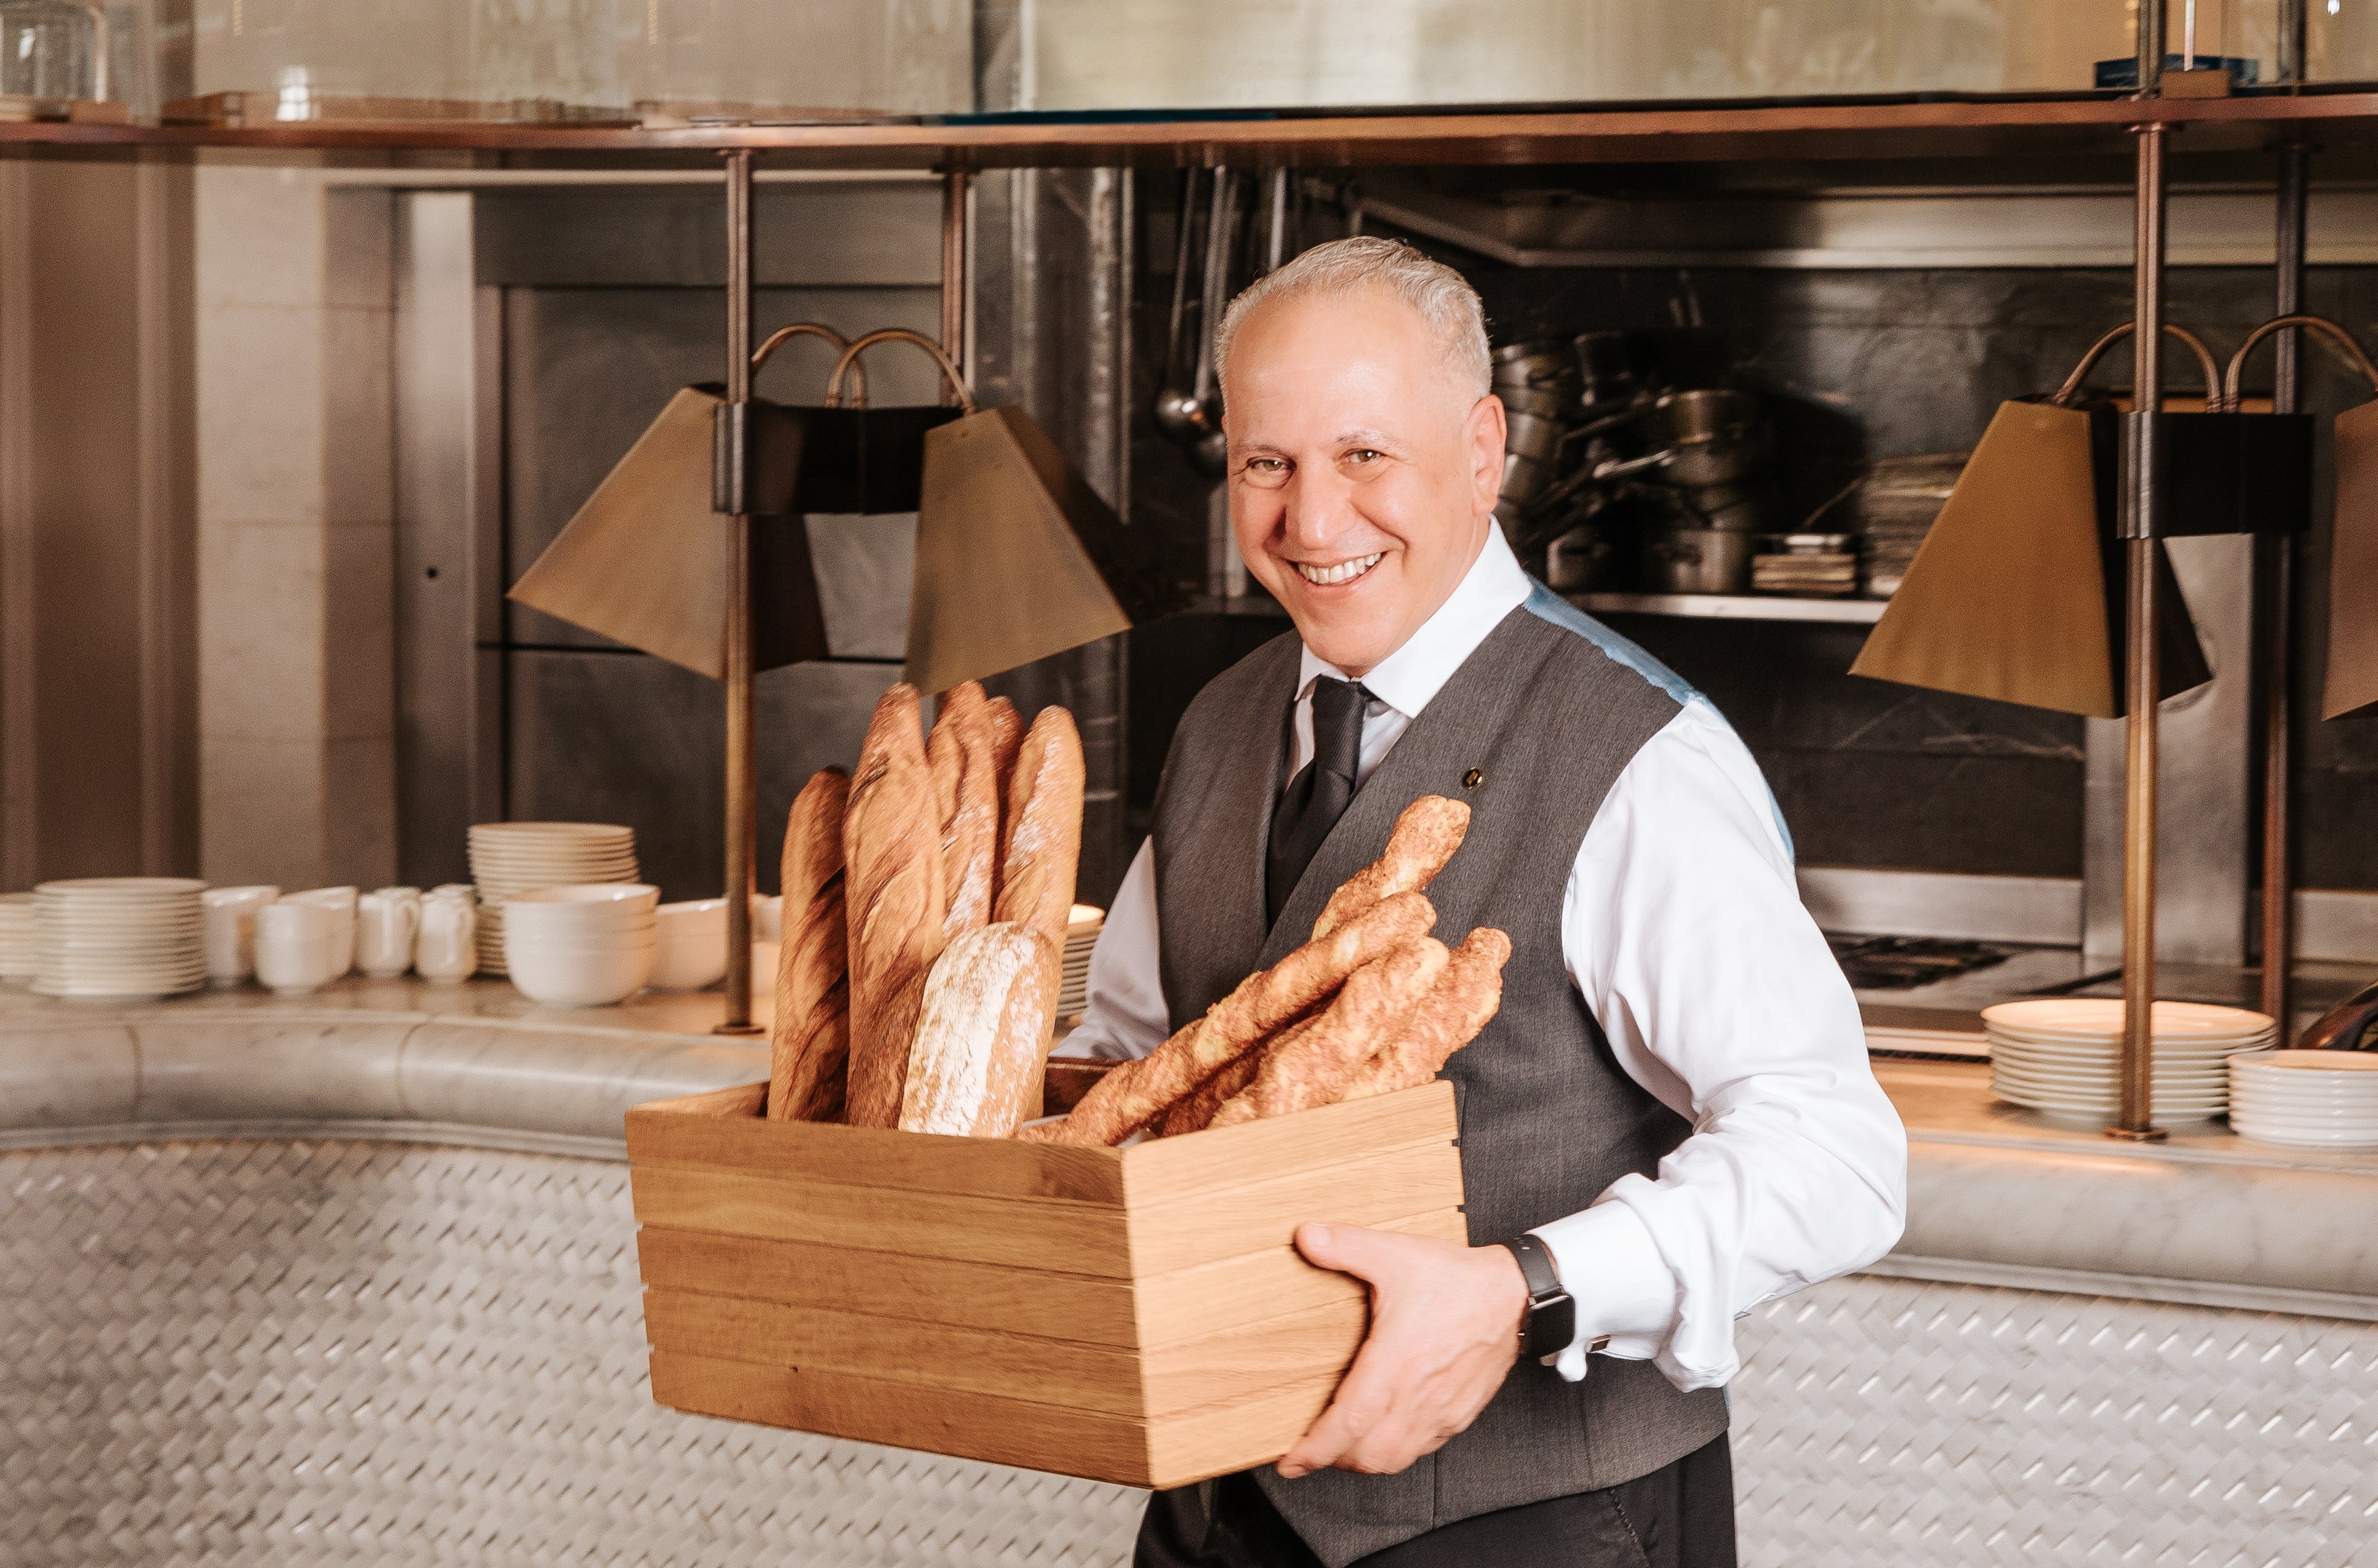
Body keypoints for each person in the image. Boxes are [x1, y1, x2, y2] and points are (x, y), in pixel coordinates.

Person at [1065, 236, 1907, 1568]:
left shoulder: (1639, 755)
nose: (1312, 522)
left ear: (1481, 449)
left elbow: (1836, 1158)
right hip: (1225, 1508)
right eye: (1264, 464)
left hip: (1545, 1525)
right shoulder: (1221, 724)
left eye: (1363, 457)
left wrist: (1526, 1289)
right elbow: (1131, 1063)